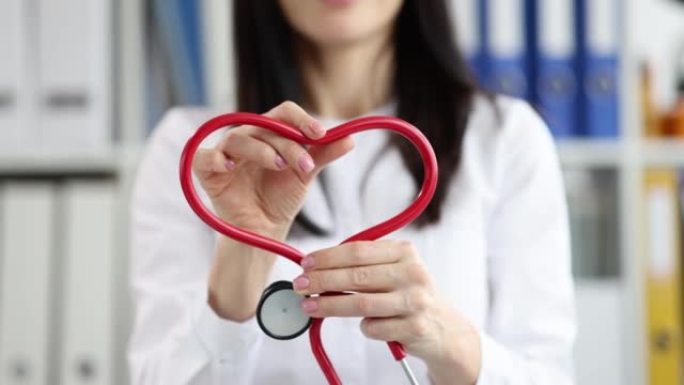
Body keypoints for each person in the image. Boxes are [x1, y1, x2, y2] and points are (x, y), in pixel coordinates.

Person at [128, 0, 576, 384]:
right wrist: (242, 255)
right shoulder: (192, 153)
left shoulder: (505, 138)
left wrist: (452, 343)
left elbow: (548, 372)